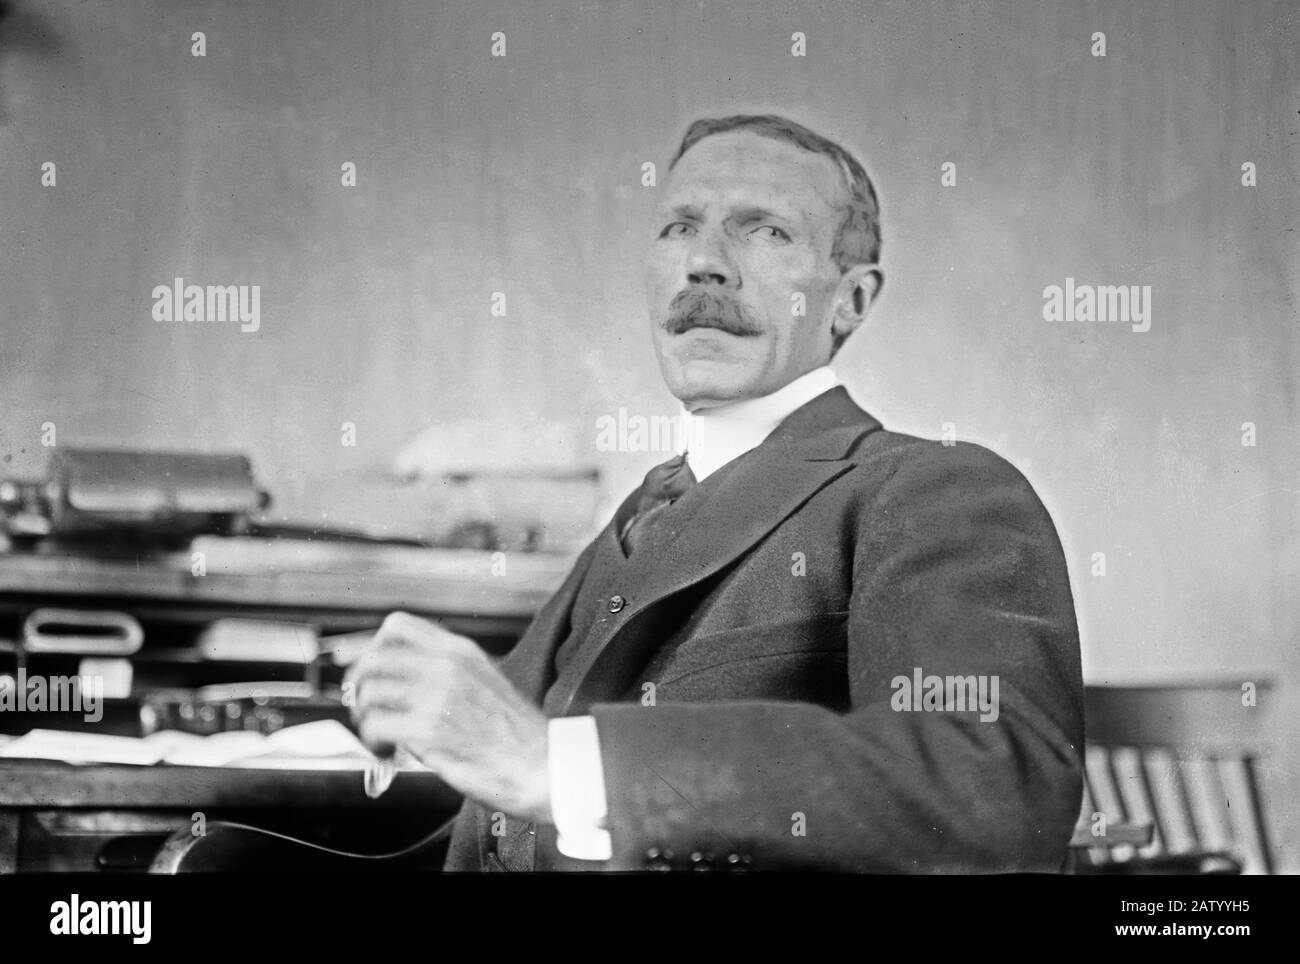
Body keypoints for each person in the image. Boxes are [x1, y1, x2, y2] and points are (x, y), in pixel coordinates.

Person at [345, 114, 1085, 873]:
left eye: (765, 231)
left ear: (850, 301)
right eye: (678, 227)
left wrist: (554, 764)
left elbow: (990, 786)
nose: (705, 261)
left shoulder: (935, 489)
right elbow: (497, 822)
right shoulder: (637, 517)